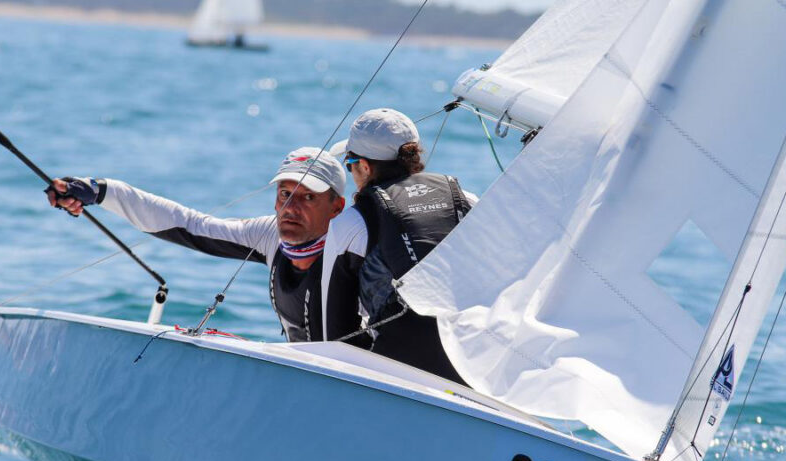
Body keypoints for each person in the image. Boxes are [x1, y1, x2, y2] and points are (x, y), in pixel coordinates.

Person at [46, 147, 369, 345]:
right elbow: (189, 224)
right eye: (285, 194)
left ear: (337, 207)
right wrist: (102, 191)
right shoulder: (268, 235)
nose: (291, 208)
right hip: (303, 376)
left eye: (308, 197)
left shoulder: (355, 247)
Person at [343, 108, 475, 384]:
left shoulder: (352, 221)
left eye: (349, 164)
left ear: (364, 167)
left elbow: (332, 321)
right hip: (473, 364)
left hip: (399, 370)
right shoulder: (466, 199)